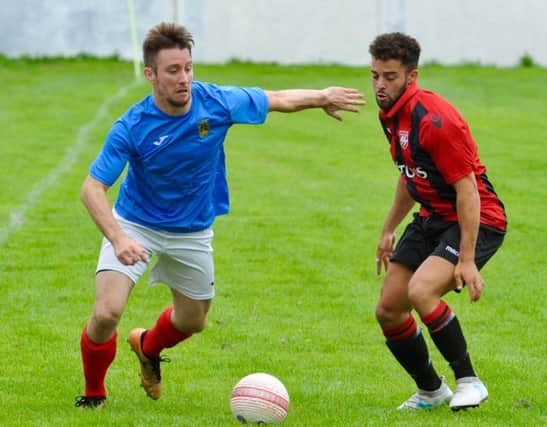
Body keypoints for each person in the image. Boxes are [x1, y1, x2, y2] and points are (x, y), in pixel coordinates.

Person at [74, 22, 365, 409]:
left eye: (188, 68)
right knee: (106, 312)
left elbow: (276, 98)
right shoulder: (132, 126)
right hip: (135, 223)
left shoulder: (216, 102)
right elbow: (92, 188)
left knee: (193, 321)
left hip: (192, 229)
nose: (184, 79)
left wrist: (322, 95)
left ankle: (147, 345)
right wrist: (119, 238)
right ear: (151, 75)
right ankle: (94, 394)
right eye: (173, 71)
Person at [369, 32, 507, 411]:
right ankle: (431, 390)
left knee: (421, 291)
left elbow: (468, 191)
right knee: (390, 308)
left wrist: (466, 259)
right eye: (375, 75)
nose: (380, 86)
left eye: (390, 77)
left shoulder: (435, 121)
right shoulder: (391, 114)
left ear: (412, 77)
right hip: (432, 216)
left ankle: (470, 382)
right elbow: (410, 174)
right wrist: (388, 229)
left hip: (479, 218)